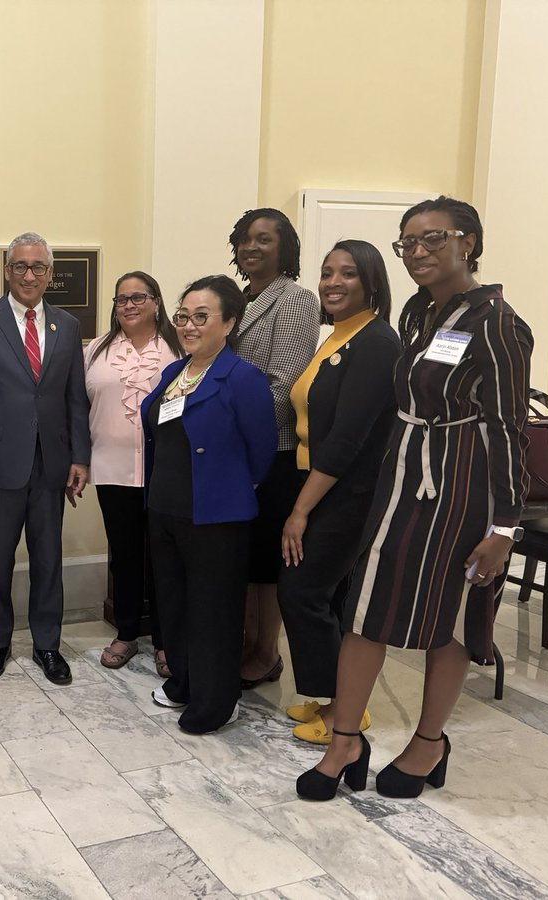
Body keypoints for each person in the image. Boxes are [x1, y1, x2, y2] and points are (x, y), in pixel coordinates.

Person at [297, 197, 533, 802]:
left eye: (434, 239)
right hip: (403, 475)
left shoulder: (498, 323)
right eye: (409, 243)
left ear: (469, 243)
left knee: (450, 614)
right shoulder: (418, 315)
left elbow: (509, 428)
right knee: (366, 607)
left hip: (463, 482)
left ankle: (429, 742)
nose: (419, 253)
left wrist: (505, 527)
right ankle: (344, 738)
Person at [277, 240, 400, 744]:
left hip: (345, 491)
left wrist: (300, 511)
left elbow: (348, 439)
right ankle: (327, 693)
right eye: (327, 272)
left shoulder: (376, 342)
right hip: (316, 481)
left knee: (304, 590)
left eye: (347, 274)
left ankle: (346, 710)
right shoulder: (336, 338)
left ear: (371, 282)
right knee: (319, 594)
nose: (332, 282)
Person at [142, 275, 276, 733]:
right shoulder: (173, 373)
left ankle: (216, 700)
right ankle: (184, 680)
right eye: (183, 316)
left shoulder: (242, 378)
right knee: (175, 603)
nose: (189, 325)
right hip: (165, 509)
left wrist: (226, 488)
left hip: (217, 515)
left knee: (213, 611)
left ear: (229, 322)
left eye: (202, 317)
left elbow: (260, 453)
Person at [0, 232, 92, 685]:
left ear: (50, 274)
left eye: (38, 267)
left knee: (48, 558)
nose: (29, 275)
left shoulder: (67, 327)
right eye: (20, 266)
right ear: (7, 270)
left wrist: (80, 457)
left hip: (51, 465)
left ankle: (47, 645)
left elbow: (76, 399)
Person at [228, 208, 320, 690]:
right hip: (232, 455)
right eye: (245, 239)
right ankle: (245, 642)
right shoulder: (235, 298)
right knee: (241, 556)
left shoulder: (297, 300)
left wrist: (235, 432)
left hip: (272, 450)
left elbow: (284, 383)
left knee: (266, 562)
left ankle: (265, 653)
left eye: (264, 239)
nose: (251, 247)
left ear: (285, 248)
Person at [84, 271, 180, 673]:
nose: (128, 305)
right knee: (124, 555)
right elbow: (76, 405)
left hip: (167, 471)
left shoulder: (178, 350)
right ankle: (126, 633)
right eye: (121, 299)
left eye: (138, 297)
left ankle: (165, 640)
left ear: (157, 301)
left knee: (164, 557)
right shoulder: (95, 351)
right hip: (112, 469)